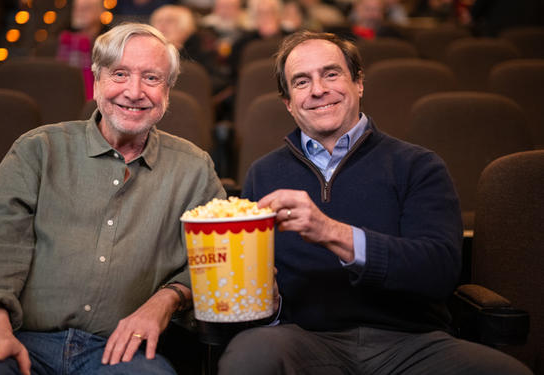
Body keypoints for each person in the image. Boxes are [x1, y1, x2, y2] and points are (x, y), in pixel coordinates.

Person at [217, 30, 533, 375]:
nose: (318, 90)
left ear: (359, 83)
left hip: (412, 342)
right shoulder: (263, 174)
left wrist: (331, 232)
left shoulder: (418, 165)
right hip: (306, 339)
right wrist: (270, 303)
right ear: (289, 102)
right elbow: (255, 288)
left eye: (331, 74)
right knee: (249, 353)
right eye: (301, 82)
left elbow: (439, 270)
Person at [0, 22, 225, 375]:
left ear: (167, 91)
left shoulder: (194, 168)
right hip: (24, 338)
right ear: (97, 79)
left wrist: (168, 298)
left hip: (125, 354)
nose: (134, 91)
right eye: (120, 73)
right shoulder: (39, 149)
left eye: (151, 78)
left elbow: (216, 261)